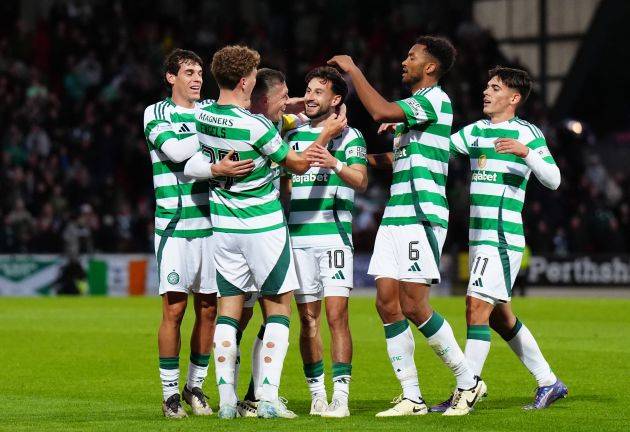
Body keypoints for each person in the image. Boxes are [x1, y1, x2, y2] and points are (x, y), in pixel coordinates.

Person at [184, 45, 346, 419]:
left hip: (224, 227)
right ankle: (268, 398)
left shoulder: (203, 115)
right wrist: (326, 134)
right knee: (278, 310)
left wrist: (289, 108)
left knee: (228, 312)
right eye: (254, 76)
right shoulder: (255, 126)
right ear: (245, 82)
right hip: (263, 226)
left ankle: (227, 402)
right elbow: (299, 164)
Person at [328, 35, 485, 417]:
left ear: (430, 67)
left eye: (412, 57)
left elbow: (379, 111)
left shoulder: (435, 100)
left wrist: (353, 71)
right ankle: (412, 397)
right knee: (386, 303)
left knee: (414, 305)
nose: (404, 61)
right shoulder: (413, 114)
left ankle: (468, 383)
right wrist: (353, 157)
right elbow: (398, 159)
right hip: (396, 213)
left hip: (422, 213)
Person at [431, 66, 567, 412]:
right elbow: (439, 149)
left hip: (502, 238)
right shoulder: (476, 131)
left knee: (475, 308)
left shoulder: (527, 133)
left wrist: (526, 153)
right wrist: (406, 132)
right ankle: (549, 382)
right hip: (480, 238)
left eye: (495, 88)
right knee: (499, 317)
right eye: (487, 86)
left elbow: (554, 180)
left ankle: (466, 390)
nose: (486, 92)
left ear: (514, 97)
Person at [143, 48, 253, 419]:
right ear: (170, 77)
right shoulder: (157, 113)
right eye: (188, 72)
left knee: (209, 309)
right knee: (174, 310)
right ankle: (169, 395)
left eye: (200, 73)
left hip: (212, 224)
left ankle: (195, 387)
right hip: (174, 226)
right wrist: (210, 131)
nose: (197, 78)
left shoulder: (209, 109)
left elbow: (244, 113)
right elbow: (176, 153)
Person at [282, 66, 367, 418]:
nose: (310, 96)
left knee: (337, 316)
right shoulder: (291, 135)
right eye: (308, 90)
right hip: (298, 240)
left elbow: (360, 180)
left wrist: (334, 163)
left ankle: (341, 397)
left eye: (319, 91)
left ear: (336, 99)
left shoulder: (350, 137)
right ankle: (317, 395)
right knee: (308, 321)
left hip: (334, 239)